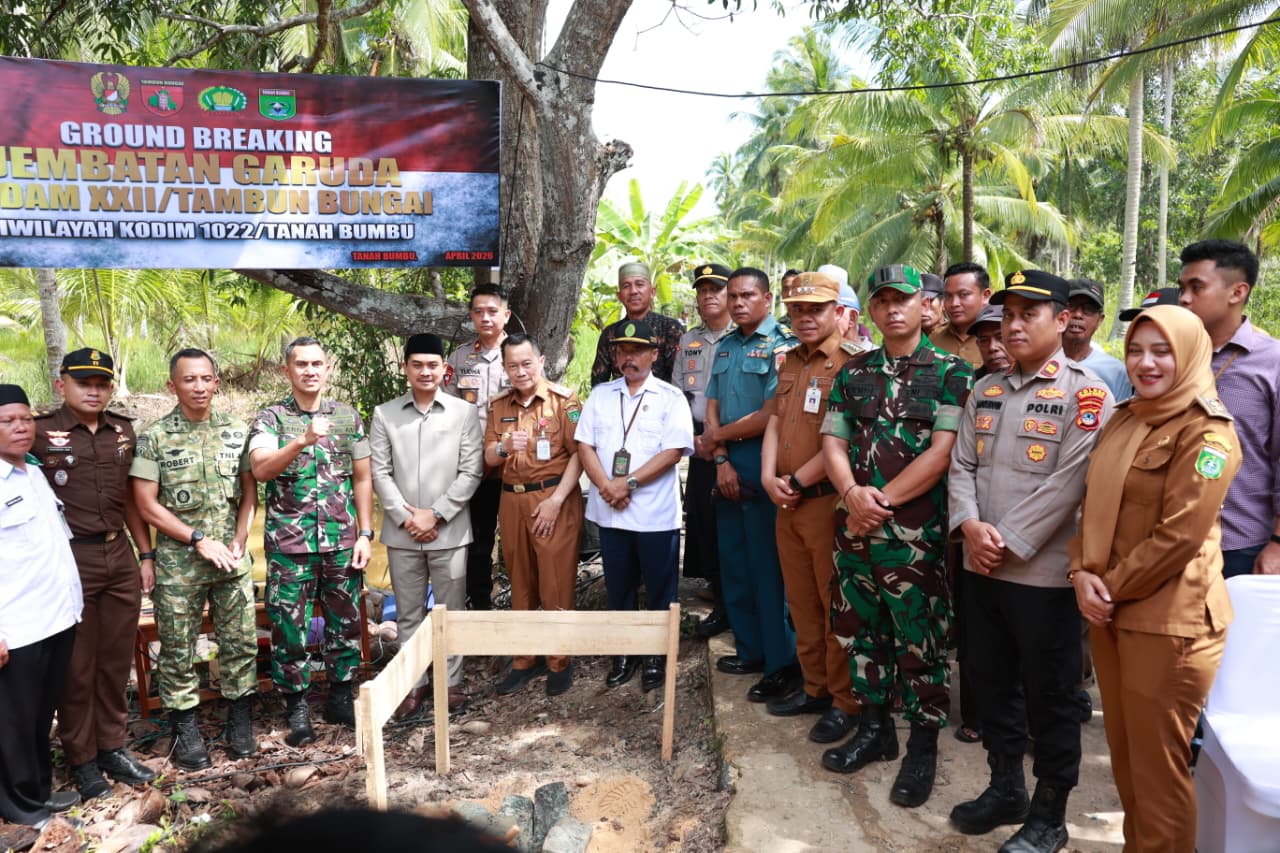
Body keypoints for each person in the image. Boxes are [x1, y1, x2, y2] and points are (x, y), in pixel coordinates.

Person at [947, 271, 1115, 852]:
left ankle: (1050, 813)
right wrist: (969, 528)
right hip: (980, 568)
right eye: (1008, 314)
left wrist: (1005, 540)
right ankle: (1004, 789)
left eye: (1029, 314)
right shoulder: (985, 389)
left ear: (1063, 319)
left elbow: (1070, 485)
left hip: (1041, 578)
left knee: (1050, 695)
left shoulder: (1087, 394)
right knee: (990, 684)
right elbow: (961, 466)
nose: (1013, 325)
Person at [1069, 305, 1240, 852]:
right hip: (1109, 608)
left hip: (1170, 623)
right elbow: (1089, 505)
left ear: (1190, 353)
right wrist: (1080, 572)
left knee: (1158, 775)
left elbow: (1180, 537)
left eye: (1161, 351)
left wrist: (1105, 587)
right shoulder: (1128, 416)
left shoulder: (1208, 433)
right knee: (1127, 762)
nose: (1145, 363)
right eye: (1136, 350)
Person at [819, 265, 972, 810]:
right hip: (855, 531)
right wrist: (853, 496)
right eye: (881, 301)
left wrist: (877, 502)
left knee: (919, 638)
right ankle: (876, 729)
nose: (892, 309)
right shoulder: (853, 372)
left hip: (912, 536)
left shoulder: (953, 372)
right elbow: (833, 442)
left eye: (902, 299)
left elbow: (941, 453)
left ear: (922, 304)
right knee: (862, 632)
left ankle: (922, 745)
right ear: (872, 310)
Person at [33, 349, 156, 800]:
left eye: (102, 383)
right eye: (84, 382)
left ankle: (112, 747)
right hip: (70, 560)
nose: (94, 390)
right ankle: (81, 759)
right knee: (76, 667)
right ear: (61, 383)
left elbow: (129, 498)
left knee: (114, 660)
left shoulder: (122, 431)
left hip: (118, 555)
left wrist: (146, 555)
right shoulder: (39, 433)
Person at [131, 349, 259, 770]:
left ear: (216, 382)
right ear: (173, 385)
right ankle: (185, 730)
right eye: (189, 380)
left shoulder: (237, 431)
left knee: (239, 643)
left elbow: (248, 496)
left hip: (231, 560)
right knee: (179, 649)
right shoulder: (154, 437)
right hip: (179, 563)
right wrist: (197, 539)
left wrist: (240, 538)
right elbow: (146, 505)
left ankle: (239, 722)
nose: (199, 387)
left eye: (206, 378)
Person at [248, 337, 373, 747]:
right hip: (290, 545)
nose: (310, 371)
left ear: (328, 368)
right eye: (301, 364)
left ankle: (340, 697)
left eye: (317, 363)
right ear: (288, 370)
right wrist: (301, 440)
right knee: (289, 629)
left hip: (341, 541)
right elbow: (261, 469)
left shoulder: (347, 417)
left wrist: (366, 534)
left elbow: (361, 477)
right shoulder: (270, 419)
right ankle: (297, 708)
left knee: (345, 623)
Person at [759, 271, 863, 744]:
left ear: (837, 312)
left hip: (825, 503)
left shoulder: (853, 364)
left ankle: (845, 700)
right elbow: (777, 424)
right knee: (800, 602)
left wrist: (798, 479)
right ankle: (815, 686)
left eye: (816, 309)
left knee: (832, 603)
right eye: (798, 310)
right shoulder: (789, 363)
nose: (805, 318)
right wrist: (767, 477)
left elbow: (844, 440)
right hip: (785, 501)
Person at [576, 319, 694, 691]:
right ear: (614, 355)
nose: (629, 358)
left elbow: (673, 451)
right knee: (619, 587)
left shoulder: (670, 397)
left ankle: (656, 657)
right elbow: (584, 446)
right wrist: (606, 487)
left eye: (638, 351)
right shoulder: (600, 395)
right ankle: (624, 653)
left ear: (654, 355)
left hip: (654, 514)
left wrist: (626, 483)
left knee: (660, 590)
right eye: (623, 351)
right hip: (610, 512)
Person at [370, 334, 483, 718]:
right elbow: (379, 473)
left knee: (450, 611)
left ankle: (450, 685)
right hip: (402, 535)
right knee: (407, 613)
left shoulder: (463, 413)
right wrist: (407, 517)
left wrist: (435, 514)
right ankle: (412, 686)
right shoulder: (384, 414)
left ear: (444, 369)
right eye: (416, 364)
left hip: (448, 532)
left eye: (432, 365)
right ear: (405, 368)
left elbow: (471, 471)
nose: (425, 371)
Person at [705, 267, 801, 701]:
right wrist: (721, 457)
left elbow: (769, 415)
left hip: (766, 459)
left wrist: (716, 439)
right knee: (735, 561)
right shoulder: (725, 347)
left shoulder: (783, 347)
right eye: (734, 296)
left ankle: (780, 664)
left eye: (748, 295)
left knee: (768, 568)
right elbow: (712, 404)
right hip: (727, 462)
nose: (739, 302)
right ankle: (749, 650)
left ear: (767, 299)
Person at [0, 384, 83, 828]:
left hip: (54, 617)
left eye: (25, 418)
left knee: (38, 715)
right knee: (11, 722)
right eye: (8, 420)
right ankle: (19, 805)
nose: (20, 427)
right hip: (16, 625)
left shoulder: (32, 472)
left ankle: (40, 791)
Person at [485, 334, 585, 697]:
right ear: (505, 368)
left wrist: (557, 500)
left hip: (553, 499)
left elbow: (580, 454)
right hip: (512, 502)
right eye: (513, 365)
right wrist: (502, 445)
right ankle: (525, 659)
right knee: (520, 581)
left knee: (555, 581)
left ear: (541, 361)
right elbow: (488, 458)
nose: (521, 371)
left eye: (527, 363)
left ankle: (559, 658)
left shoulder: (564, 401)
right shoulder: (498, 406)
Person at [1177, 239, 1280, 578]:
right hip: (1170, 539)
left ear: (1237, 292)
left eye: (1197, 287)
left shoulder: (1272, 362)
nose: (1184, 298)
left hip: (1240, 544)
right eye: (1182, 288)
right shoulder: (1169, 357)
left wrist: (1278, 541)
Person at [670, 263, 735, 639]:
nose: (708, 295)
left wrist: (717, 438)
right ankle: (718, 599)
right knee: (704, 523)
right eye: (702, 289)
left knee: (731, 523)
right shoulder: (688, 341)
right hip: (698, 445)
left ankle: (733, 602)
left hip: (733, 441)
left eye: (716, 288)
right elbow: (679, 394)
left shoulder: (741, 338)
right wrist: (690, 439)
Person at [444, 284, 512, 610]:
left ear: (506, 315)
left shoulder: (518, 353)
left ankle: (522, 606)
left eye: (492, 311)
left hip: (515, 465)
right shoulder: (458, 358)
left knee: (516, 539)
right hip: (474, 467)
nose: (486, 317)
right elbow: (446, 412)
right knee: (477, 540)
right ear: (471, 316)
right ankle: (479, 605)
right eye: (479, 311)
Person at [590, 262, 685, 386]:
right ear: (619, 296)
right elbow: (598, 382)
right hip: (619, 401)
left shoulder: (670, 329)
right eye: (626, 286)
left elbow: (681, 379)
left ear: (652, 292)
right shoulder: (611, 334)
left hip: (662, 402)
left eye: (639, 284)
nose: (633, 291)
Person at [1063, 278, 1132, 400]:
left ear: (1100, 320)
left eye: (1088, 309)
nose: (1078, 315)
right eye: (1071, 306)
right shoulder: (1036, 361)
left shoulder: (1115, 371)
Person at [932, 261, 991, 368]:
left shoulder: (1001, 340)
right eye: (948, 296)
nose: (954, 304)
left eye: (964, 295)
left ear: (985, 296)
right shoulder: (934, 338)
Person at [971, 303, 1012, 380]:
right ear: (978, 344)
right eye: (984, 340)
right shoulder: (971, 383)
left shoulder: (1037, 382)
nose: (992, 347)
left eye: (1000, 338)